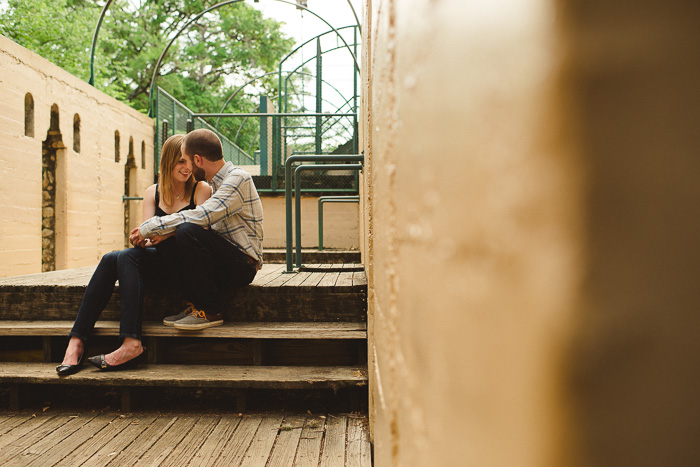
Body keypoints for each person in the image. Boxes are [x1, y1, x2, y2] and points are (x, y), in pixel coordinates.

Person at [56, 135, 212, 375]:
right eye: (180, 161)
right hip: (161, 264)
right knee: (114, 257)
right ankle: (78, 341)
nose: (187, 167)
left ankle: (129, 343)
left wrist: (166, 234)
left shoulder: (201, 190)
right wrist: (141, 238)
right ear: (168, 161)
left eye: (190, 161)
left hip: (186, 270)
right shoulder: (153, 192)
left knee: (124, 257)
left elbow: (201, 232)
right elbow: (149, 235)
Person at [130, 128, 263, 331]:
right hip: (222, 259)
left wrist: (150, 226)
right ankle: (195, 305)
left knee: (186, 230)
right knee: (171, 237)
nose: (188, 167)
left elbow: (202, 216)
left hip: (242, 264)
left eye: (187, 160)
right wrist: (162, 233)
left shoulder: (238, 179)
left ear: (198, 160)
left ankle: (210, 311)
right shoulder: (215, 184)